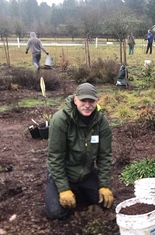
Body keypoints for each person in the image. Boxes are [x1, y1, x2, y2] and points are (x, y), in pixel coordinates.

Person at [44, 83, 114, 220]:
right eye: (83, 101)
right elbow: (55, 157)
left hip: (86, 174)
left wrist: (104, 185)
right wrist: (64, 189)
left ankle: (79, 191)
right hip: (64, 174)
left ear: (97, 101)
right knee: (56, 213)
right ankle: (62, 188)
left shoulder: (102, 122)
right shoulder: (60, 120)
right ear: (75, 100)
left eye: (91, 101)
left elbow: (104, 156)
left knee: (107, 202)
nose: (87, 105)